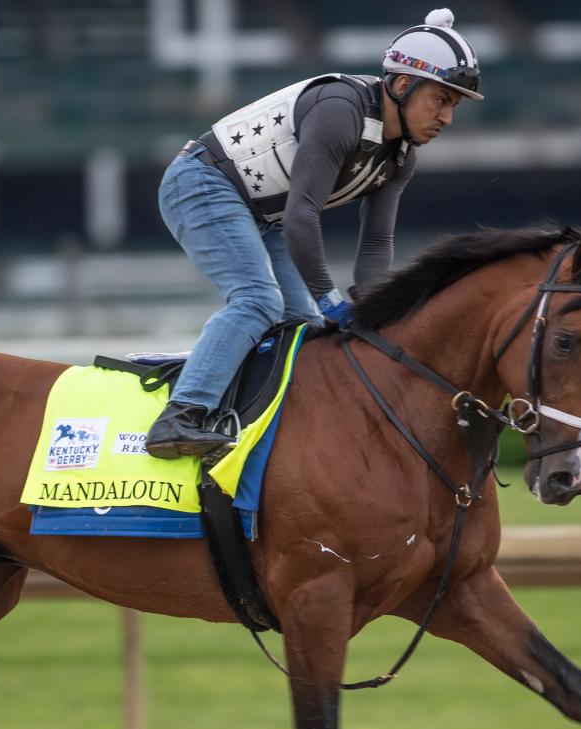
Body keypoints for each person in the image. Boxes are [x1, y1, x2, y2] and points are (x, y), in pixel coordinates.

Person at [145, 8, 484, 459]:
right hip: (202, 182)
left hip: (263, 214)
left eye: (453, 106)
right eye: (440, 100)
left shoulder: (401, 157)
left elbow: (377, 244)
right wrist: (328, 297)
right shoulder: (339, 112)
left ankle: (252, 425)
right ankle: (181, 416)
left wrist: (373, 308)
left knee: (302, 328)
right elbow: (303, 216)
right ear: (403, 85)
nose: (446, 118)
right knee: (257, 300)